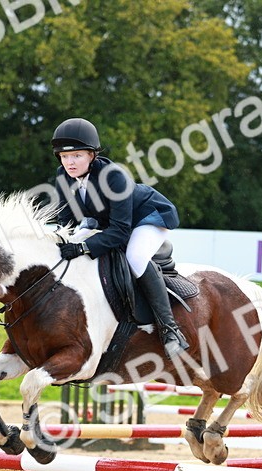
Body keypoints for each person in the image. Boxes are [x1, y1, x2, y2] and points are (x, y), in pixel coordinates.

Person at [50, 117, 189, 357]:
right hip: (108, 221)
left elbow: (121, 231)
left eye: (77, 156)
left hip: (147, 217)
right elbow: (66, 221)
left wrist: (83, 248)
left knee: (135, 257)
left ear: (92, 155)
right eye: (64, 156)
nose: (69, 162)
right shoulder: (63, 176)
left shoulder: (114, 176)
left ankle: (170, 329)